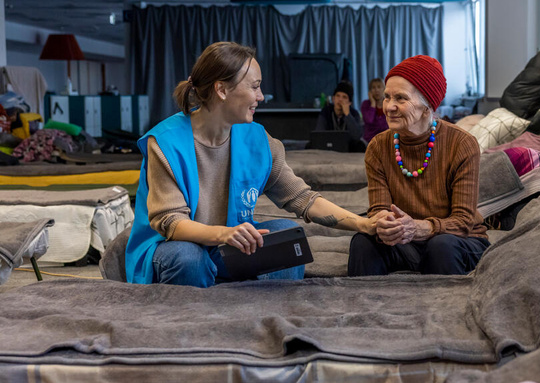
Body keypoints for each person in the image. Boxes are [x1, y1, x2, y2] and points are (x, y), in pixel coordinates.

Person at [126, 42, 385, 287]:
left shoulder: (257, 139)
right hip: (174, 247)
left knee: (287, 236)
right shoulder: (165, 142)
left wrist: (363, 224)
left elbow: (303, 198)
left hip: (225, 246)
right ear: (222, 90)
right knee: (189, 258)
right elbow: (171, 222)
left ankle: (261, 312)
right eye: (254, 87)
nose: (261, 96)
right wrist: (223, 234)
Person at [347, 55, 490, 277]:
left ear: (427, 107)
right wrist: (384, 223)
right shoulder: (378, 146)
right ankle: (364, 309)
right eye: (387, 97)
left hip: (459, 240)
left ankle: (441, 310)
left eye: (401, 98)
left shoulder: (461, 143)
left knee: (440, 247)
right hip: (406, 241)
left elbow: (463, 222)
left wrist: (419, 227)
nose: (389, 107)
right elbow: (378, 209)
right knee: (363, 243)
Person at [313, 80, 365, 152]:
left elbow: (357, 136)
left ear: (349, 102)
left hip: (348, 147)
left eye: (344, 97)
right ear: (333, 99)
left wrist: (347, 115)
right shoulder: (326, 111)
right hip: (329, 145)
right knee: (310, 145)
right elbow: (319, 134)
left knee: (360, 145)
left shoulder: (354, 113)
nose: (340, 100)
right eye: (338, 96)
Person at [360, 77, 389, 143]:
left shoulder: (388, 103)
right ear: (370, 91)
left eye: (379, 87)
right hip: (370, 140)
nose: (376, 90)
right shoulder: (365, 104)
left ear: (384, 89)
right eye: (373, 88)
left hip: (386, 139)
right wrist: (373, 104)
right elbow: (369, 120)